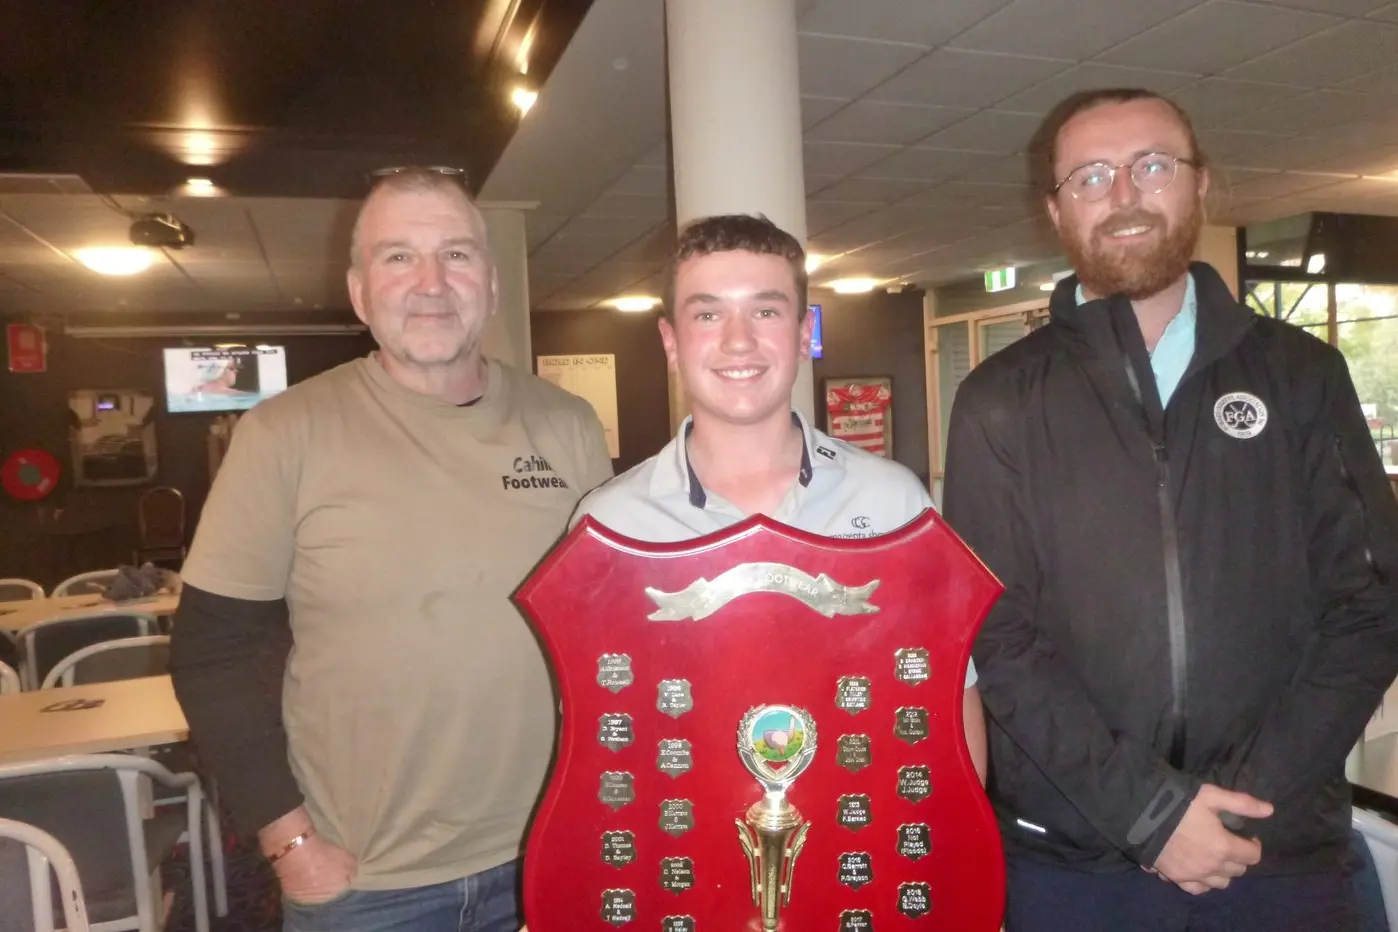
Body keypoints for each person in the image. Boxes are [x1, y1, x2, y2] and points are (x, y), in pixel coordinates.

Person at [942, 88, 1398, 932]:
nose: (1123, 196)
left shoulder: (1301, 376)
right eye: (1090, 177)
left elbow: (1370, 606)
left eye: (1151, 165)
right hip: (1077, 864)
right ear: (1055, 209)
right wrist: (1151, 815)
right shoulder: (997, 400)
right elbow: (997, 636)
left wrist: (1230, 812)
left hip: (1277, 851)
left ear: (1200, 184)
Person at [169, 168, 613, 932]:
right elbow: (214, 653)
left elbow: (605, 624)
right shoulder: (285, 432)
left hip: (554, 847)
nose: (432, 282)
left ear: (492, 284)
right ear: (358, 291)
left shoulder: (567, 424)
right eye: (398, 257)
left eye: (457, 255)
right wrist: (291, 844)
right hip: (370, 883)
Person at [575, 213, 987, 781]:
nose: (738, 340)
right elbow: (598, 733)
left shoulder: (894, 503)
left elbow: (952, 694)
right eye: (708, 313)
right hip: (687, 844)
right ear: (671, 343)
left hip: (860, 836)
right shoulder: (610, 525)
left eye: (765, 311)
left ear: (802, 336)